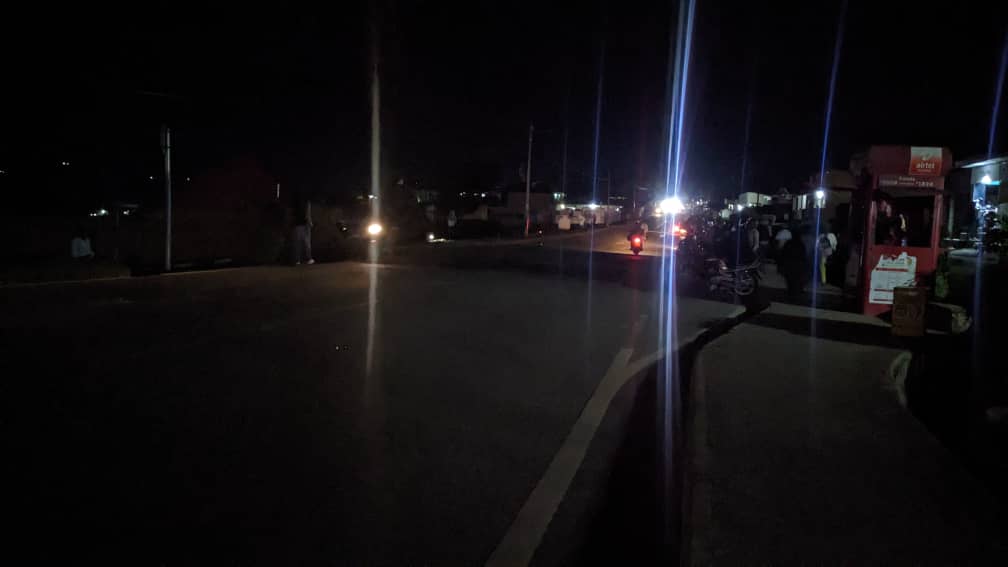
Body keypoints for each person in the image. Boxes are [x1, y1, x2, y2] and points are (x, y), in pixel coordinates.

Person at [292, 198, 314, 265]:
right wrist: (310, 222)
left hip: (297, 224)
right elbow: (307, 214)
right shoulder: (307, 202)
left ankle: (297, 260)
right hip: (304, 224)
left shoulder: (296, 202)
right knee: (306, 242)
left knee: (297, 242)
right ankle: (308, 258)